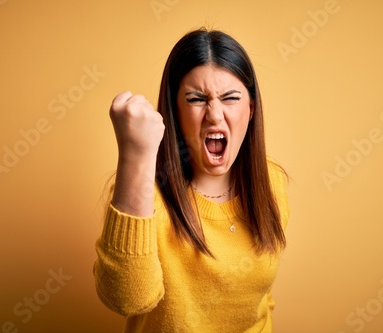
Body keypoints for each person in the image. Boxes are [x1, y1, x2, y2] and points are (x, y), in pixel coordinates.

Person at [93, 28, 289, 332]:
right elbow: (127, 300)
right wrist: (136, 155)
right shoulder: (145, 195)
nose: (214, 114)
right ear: (175, 112)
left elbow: (261, 297)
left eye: (231, 98)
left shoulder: (271, 182)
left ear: (250, 110)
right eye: (197, 99)